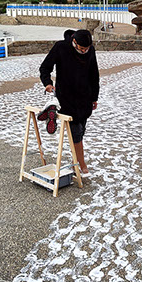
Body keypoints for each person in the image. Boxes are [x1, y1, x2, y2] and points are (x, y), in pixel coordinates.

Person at [39, 29, 99, 176]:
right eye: (82, 48)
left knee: (81, 130)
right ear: (74, 42)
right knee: (76, 132)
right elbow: (45, 67)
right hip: (66, 97)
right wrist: (47, 83)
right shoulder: (61, 47)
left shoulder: (90, 50)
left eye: (87, 48)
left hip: (85, 97)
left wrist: (94, 97)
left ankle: (75, 160)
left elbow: (94, 74)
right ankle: (81, 164)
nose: (84, 51)